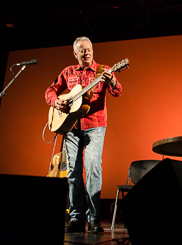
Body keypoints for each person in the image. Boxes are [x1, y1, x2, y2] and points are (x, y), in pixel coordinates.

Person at [45, 37, 122, 233]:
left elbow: (117, 92)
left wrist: (112, 79)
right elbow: (50, 90)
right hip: (71, 127)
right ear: (75, 53)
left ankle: (94, 219)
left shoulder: (103, 70)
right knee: (73, 171)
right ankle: (76, 218)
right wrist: (56, 103)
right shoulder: (68, 72)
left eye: (89, 50)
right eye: (82, 51)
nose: (87, 53)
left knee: (93, 167)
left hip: (95, 125)